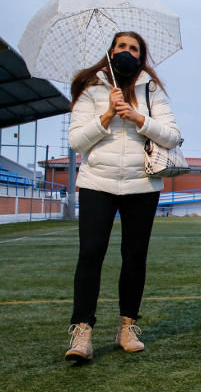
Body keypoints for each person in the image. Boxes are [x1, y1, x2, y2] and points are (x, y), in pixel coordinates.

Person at [64, 31, 181, 362]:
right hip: (97, 182)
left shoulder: (151, 89)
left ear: (141, 56)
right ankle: (82, 330)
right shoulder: (92, 88)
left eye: (133, 48)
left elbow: (172, 136)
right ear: (110, 52)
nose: (126, 52)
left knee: (135, 257)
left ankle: (127, 326)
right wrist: (106, 117)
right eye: (121, 47)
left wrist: (138, 117)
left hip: (142, 185)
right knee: (90, 254)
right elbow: (76, 142)